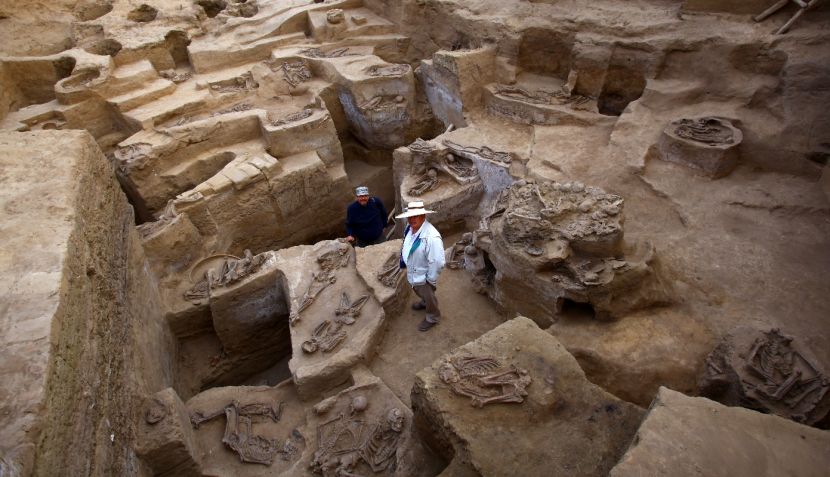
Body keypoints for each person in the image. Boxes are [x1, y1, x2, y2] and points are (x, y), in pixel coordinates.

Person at [396, 201, 445, 332]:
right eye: (410, 216)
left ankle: (432, 317)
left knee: (429, 295)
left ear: (423, 216)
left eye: (415, 216)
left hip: (424, 277)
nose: (412, 219)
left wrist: (430, 280)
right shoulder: (409, 228)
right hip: (414, 272)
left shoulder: (432, 237)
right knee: (418, 290)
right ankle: (424, 303)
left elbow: (438, 262)